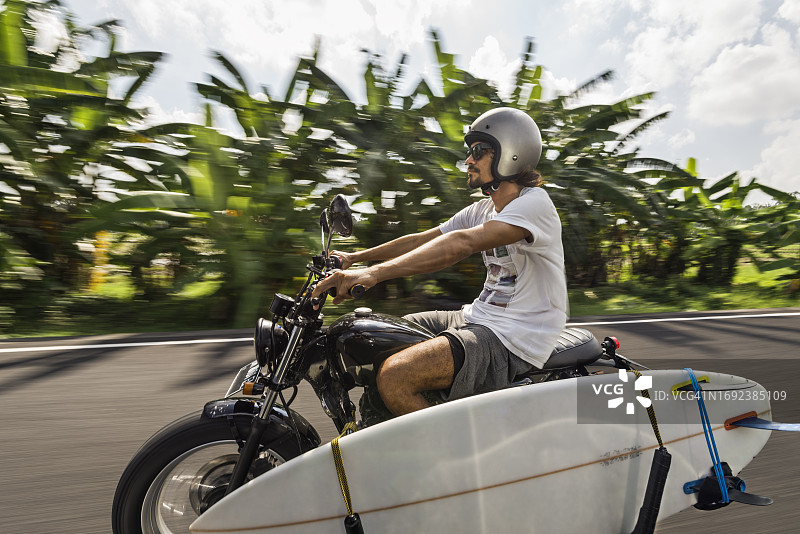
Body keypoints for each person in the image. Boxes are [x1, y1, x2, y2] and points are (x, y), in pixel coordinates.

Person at [312, 107, 568, 417]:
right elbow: (422, 240)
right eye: (469, 152)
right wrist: (354, 258)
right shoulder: (485, 209)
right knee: (369, 337)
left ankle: (452, 461)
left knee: (396, 376)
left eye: (478, 151)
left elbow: (461, 243)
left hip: (516, 337)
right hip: (477, 318)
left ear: (510, 153)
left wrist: (374, 274)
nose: (468, 160)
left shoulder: (533, 204)